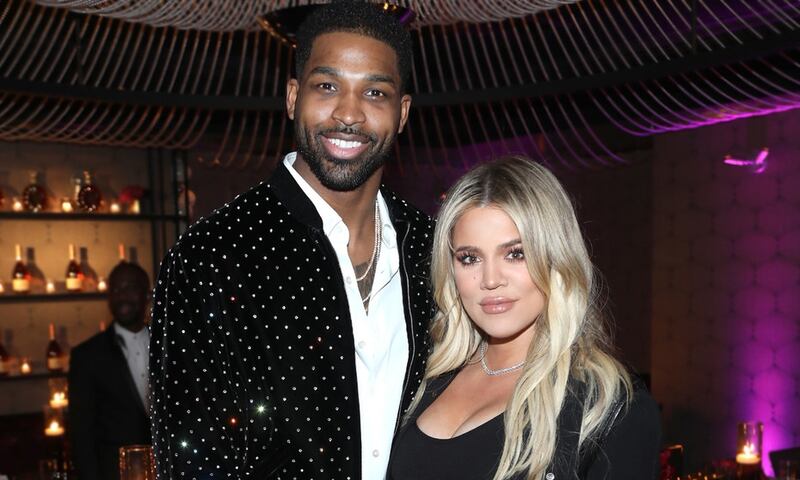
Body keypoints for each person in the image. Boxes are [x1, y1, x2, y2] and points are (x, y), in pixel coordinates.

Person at [148, 2, 434, 479]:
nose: (349, 113)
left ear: (402, 113)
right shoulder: (212, 256)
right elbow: (194, 462)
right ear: (293, 97)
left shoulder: (432, 249)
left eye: (375, 92)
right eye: (327, 87)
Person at [388, 156, 661, 480]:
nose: (491, 279)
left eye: (515, 254)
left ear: (556, 258)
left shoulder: (608, 407)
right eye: (470, 258)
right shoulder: (423, 374)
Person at [68, 262, 152, 480]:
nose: (121, 295)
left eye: (130, 288)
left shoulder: (168, 346)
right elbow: (82, 436)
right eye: (115, 289)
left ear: (147, 294)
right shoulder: (87, 356)